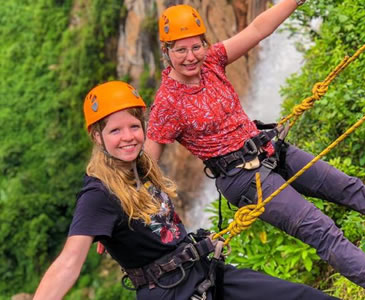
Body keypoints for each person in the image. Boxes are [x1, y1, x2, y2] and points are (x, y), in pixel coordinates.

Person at [144, 2, 365, 300]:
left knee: (350, 188)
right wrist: (116, 213)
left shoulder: (212, 61)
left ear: (205, 44)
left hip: (269, 148)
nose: (191, 57)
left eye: (196, 47)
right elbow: (146, 165)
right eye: (180, 50)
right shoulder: (166, 104)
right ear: (166, 52)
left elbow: (257, 29)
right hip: (241, 178)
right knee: (322, 231)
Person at [33, 81, 339, 300]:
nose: (128, 137)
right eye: (115, 130)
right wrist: (93, 227)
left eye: (134, 126)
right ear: (97, 136)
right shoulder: (97, 194)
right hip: (171, 292)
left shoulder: (140, 168)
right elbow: (69, 262)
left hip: (204, 273)